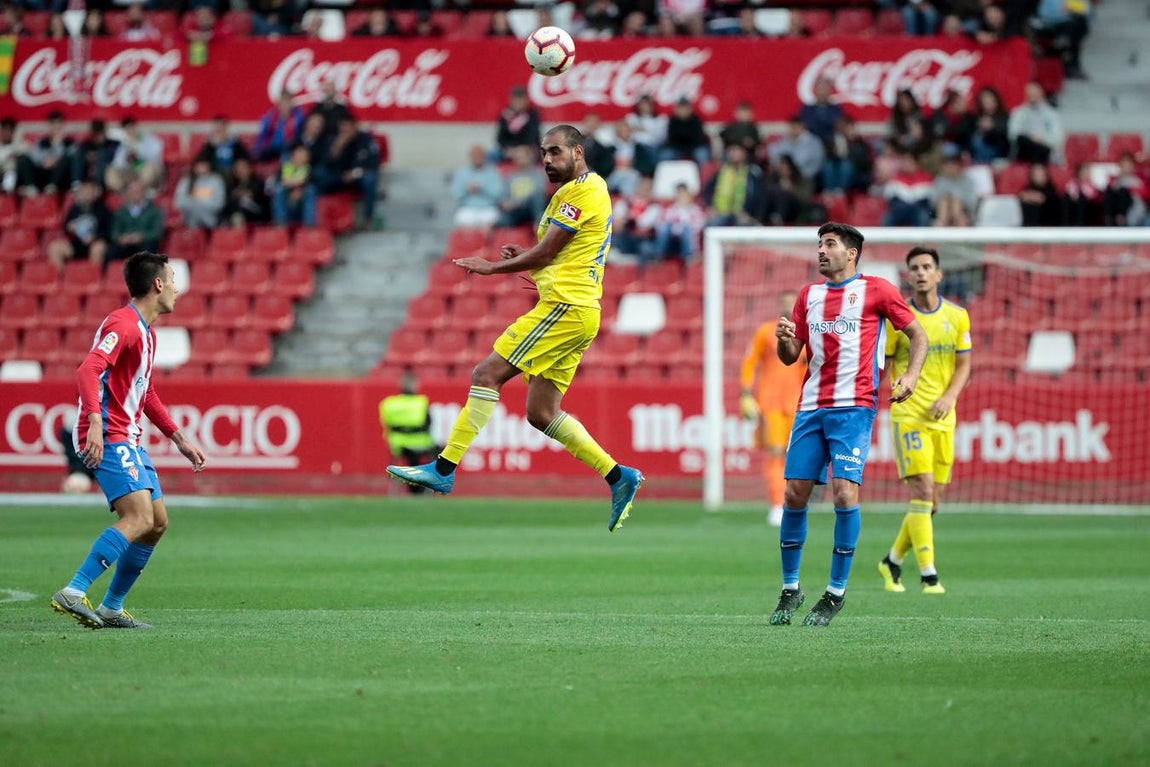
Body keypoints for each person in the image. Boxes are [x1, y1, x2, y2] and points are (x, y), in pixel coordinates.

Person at [386, 125, 645, 532]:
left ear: (578, 152)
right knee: (541, 413)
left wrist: (494, 267)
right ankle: (619, 477)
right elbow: (558, 253)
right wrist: (526, 256)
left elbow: (550, 250)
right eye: (543, 152)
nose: (547, 160)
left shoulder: (584, 191)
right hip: (579, 310)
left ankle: (443, 467)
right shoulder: (576, 191)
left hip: (566, 306)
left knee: (486, 373)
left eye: (555, 152)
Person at [770, 222, 927, 627]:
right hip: (811, 407)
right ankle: (791, 589)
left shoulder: (877, 290)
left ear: (851, 253)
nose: (821, 251)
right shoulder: (809, 295)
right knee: (794, 493)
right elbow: (792, 357)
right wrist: (784, 338)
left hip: (855, 407)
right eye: (819, 244)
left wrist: (909, 376)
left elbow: (917, 335)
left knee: (843, 494)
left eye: (830, 244)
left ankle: (836, 593)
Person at [50, 252, 207, 630]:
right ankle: (74, 590)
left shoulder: (146, 333)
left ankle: (111, 608)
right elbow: (89, 369)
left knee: (157, 523)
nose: (176, 288)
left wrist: (178, 438)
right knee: (138, 517)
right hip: (109, 433)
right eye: (172, 279)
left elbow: (145, 392)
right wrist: (94, 422)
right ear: (157, 285)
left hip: (128, 436)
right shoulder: (124, 324)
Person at [878, 247, 972, 596]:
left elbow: (964, 365)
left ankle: (891, 561)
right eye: (914, 267)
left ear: (938, 274)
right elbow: (885, 366)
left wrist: (950, 397)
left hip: (943, 416)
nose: (920, 272)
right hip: (908, 415)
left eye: (926, 267)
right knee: (922, 490)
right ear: (908, 275)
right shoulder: (897, 320)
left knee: (933, 501)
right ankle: (929, 574)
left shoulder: (958, 316)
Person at [740, 290, 807, 527]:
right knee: (776, 452)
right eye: (785, 303)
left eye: (792, 303)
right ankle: (777, 505)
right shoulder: (766, 332)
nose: (788, 308)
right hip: (771, 404)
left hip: (800, 405)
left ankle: (795, 501)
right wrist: (746, 391)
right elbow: (750, 361)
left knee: (798, 457)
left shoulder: (806, 334)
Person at [380, 371, 439, 495]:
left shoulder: (389, 403)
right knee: (441, 454)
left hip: (398, 445)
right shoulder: (421, 402)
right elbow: (429, 424)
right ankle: (426, 488)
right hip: (421, 444)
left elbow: (387, 424)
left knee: (412, 459)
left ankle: (412, 486)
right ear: (414, 385)